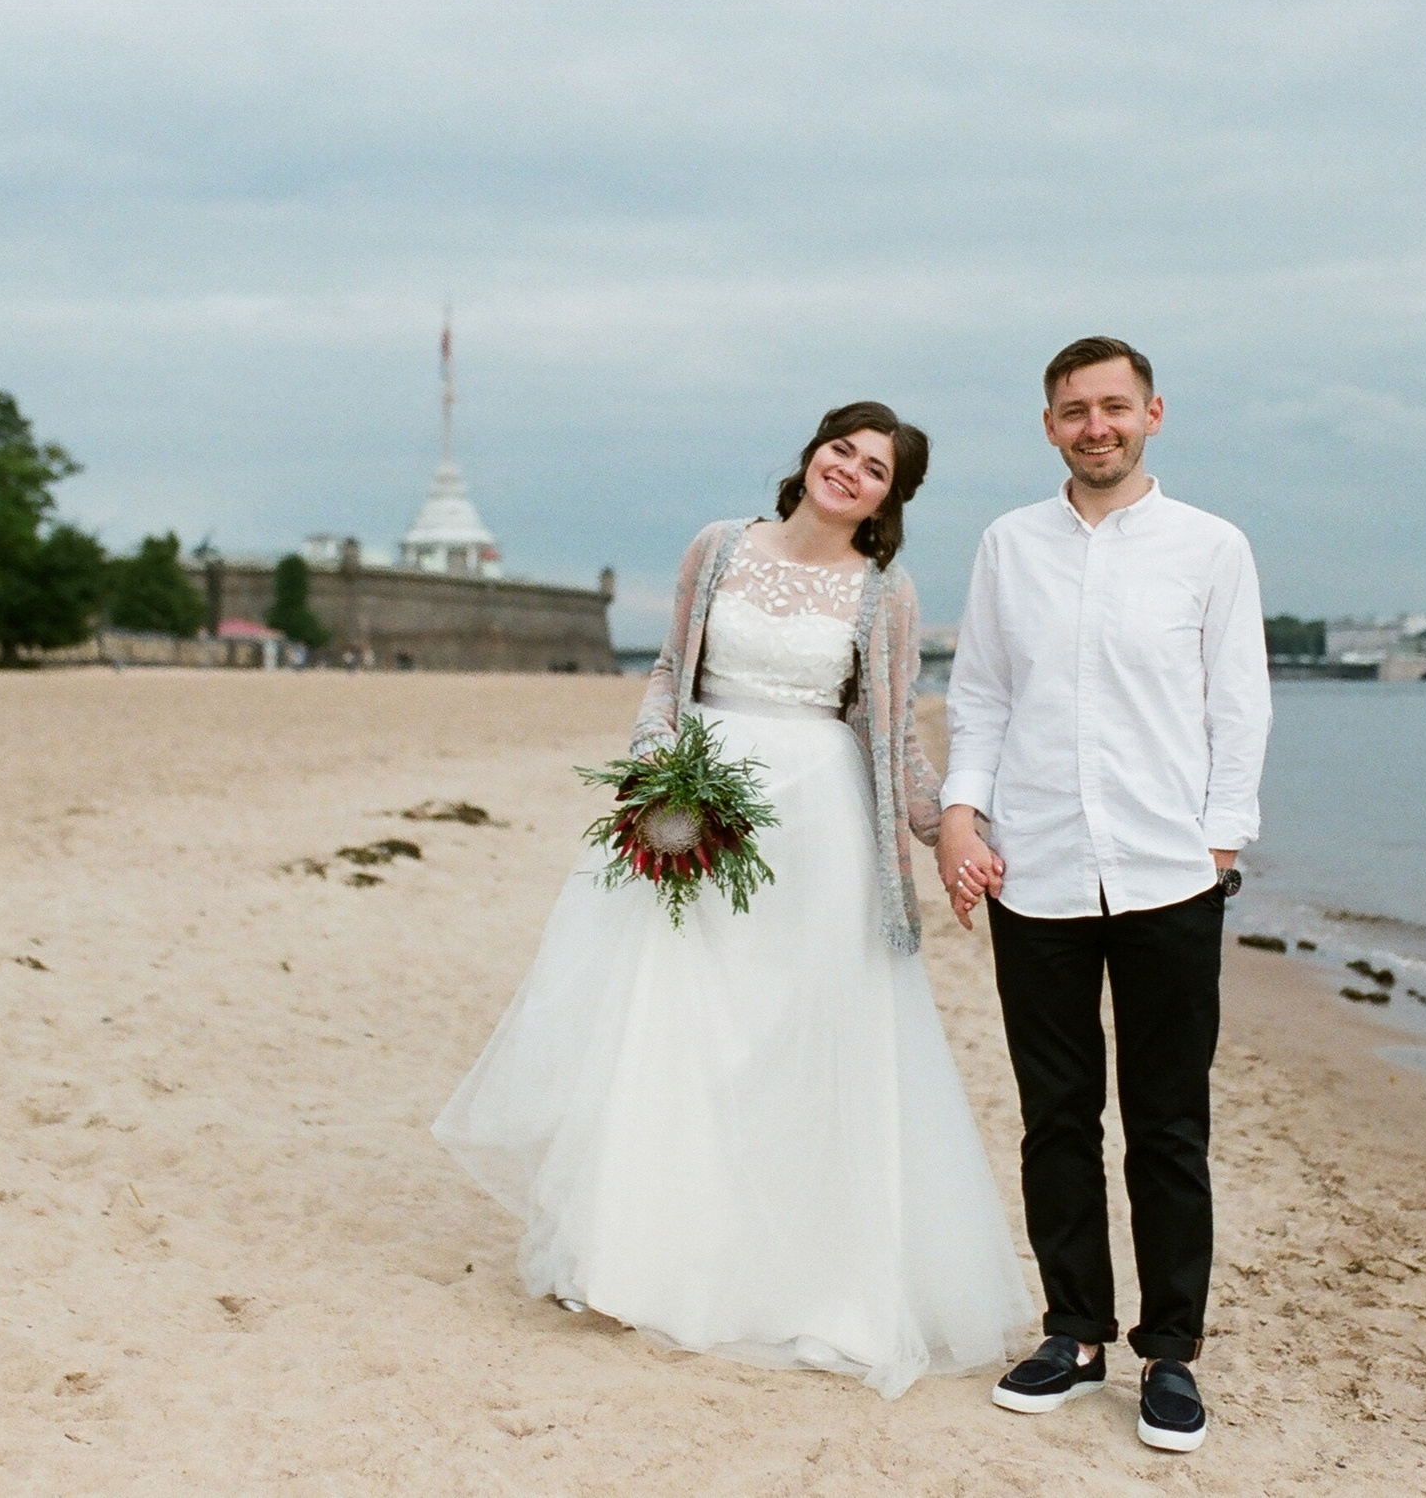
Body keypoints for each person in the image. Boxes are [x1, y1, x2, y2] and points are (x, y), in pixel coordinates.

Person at [434, 401, 1033, 1399]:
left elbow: (894, 738)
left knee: (791, 1047)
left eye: (875, 467)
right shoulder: (718, 547)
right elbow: (671, 670)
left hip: (821, 842)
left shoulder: (884, 595)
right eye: (841, 448)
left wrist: (952, 833)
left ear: (890, 498)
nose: (850, 469)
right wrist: (654, 770)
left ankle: (796, 1274)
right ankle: (638, 1259)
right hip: (697, 817)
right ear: (808, 455)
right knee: (675, 1035)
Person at [937, 337, 1271, 1453]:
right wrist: (959, 813)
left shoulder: (1210, 547)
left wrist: (1222, 842)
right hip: (1034, 869)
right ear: (1049, 426)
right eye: (1074, 409)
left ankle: (1168, 1352)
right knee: (1055, 1117)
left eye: (1114, 406)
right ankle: (1073, 1330)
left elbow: (1239, 701)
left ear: (1153, 414)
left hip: (1170, 871)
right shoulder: (1007, 544)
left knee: (1168, 1123)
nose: (1095, 425)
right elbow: (978, 693)